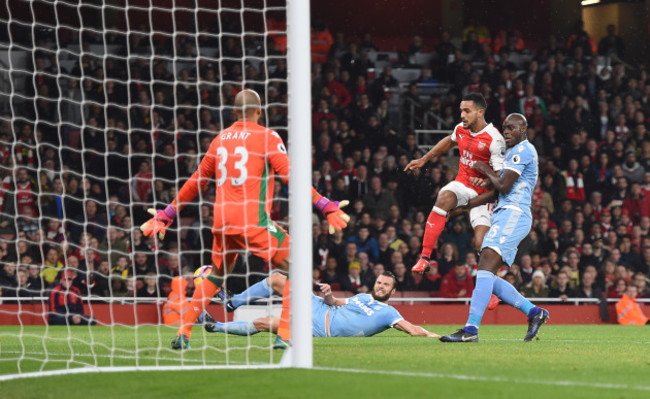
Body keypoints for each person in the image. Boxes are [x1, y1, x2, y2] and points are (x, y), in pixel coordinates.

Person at [140, 89, 350, 350]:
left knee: (216, 275)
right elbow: (290, 177)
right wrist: (324, 204)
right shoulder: (267, 137)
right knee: (298, 265)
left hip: (221, 224)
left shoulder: (219, 140)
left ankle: (184, 333)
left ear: (235, 112)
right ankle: (284, 334)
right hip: (254, 221)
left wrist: (166, 214)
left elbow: (196, 181)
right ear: (259, 111)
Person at [439, 113, 549, 343]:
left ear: (523, 129)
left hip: (514, 213)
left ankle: (470, 330)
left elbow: (503, 185)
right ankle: (533, 312)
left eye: (512, 128)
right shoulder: (510, 154)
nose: (506, 131)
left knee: (486, 262)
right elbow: (496, 191)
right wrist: (462, 208)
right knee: (486, 272)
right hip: (505, 213)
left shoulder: (523, 151)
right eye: (505, 128)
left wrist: (484, 169)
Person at [404, 93, 505, 273]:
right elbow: (450, 142)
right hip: (464, 184)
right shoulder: (461, 128)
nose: (462, 115)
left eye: (467, 111)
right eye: (461, 111)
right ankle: (425, 258)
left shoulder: (495, 139)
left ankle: (493, 287)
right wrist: (424, 159)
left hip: (486, 196)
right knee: (444, 197)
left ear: (480, 112)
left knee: (481, 244)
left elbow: (501, 178)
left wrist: (485, 180)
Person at [206, 272, 439, 338]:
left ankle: (214, 326)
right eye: (379, 282)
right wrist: (328, 294)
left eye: (385, 285)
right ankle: (232, 302)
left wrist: (434, 336)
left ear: (392, 291)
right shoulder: (363, 297)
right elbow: (335, 302)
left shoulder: (390, 314)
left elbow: (412, 329)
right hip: (318, 305)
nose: (380, 286)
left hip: (318, 328)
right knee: (277, 279)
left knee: (263, 323)